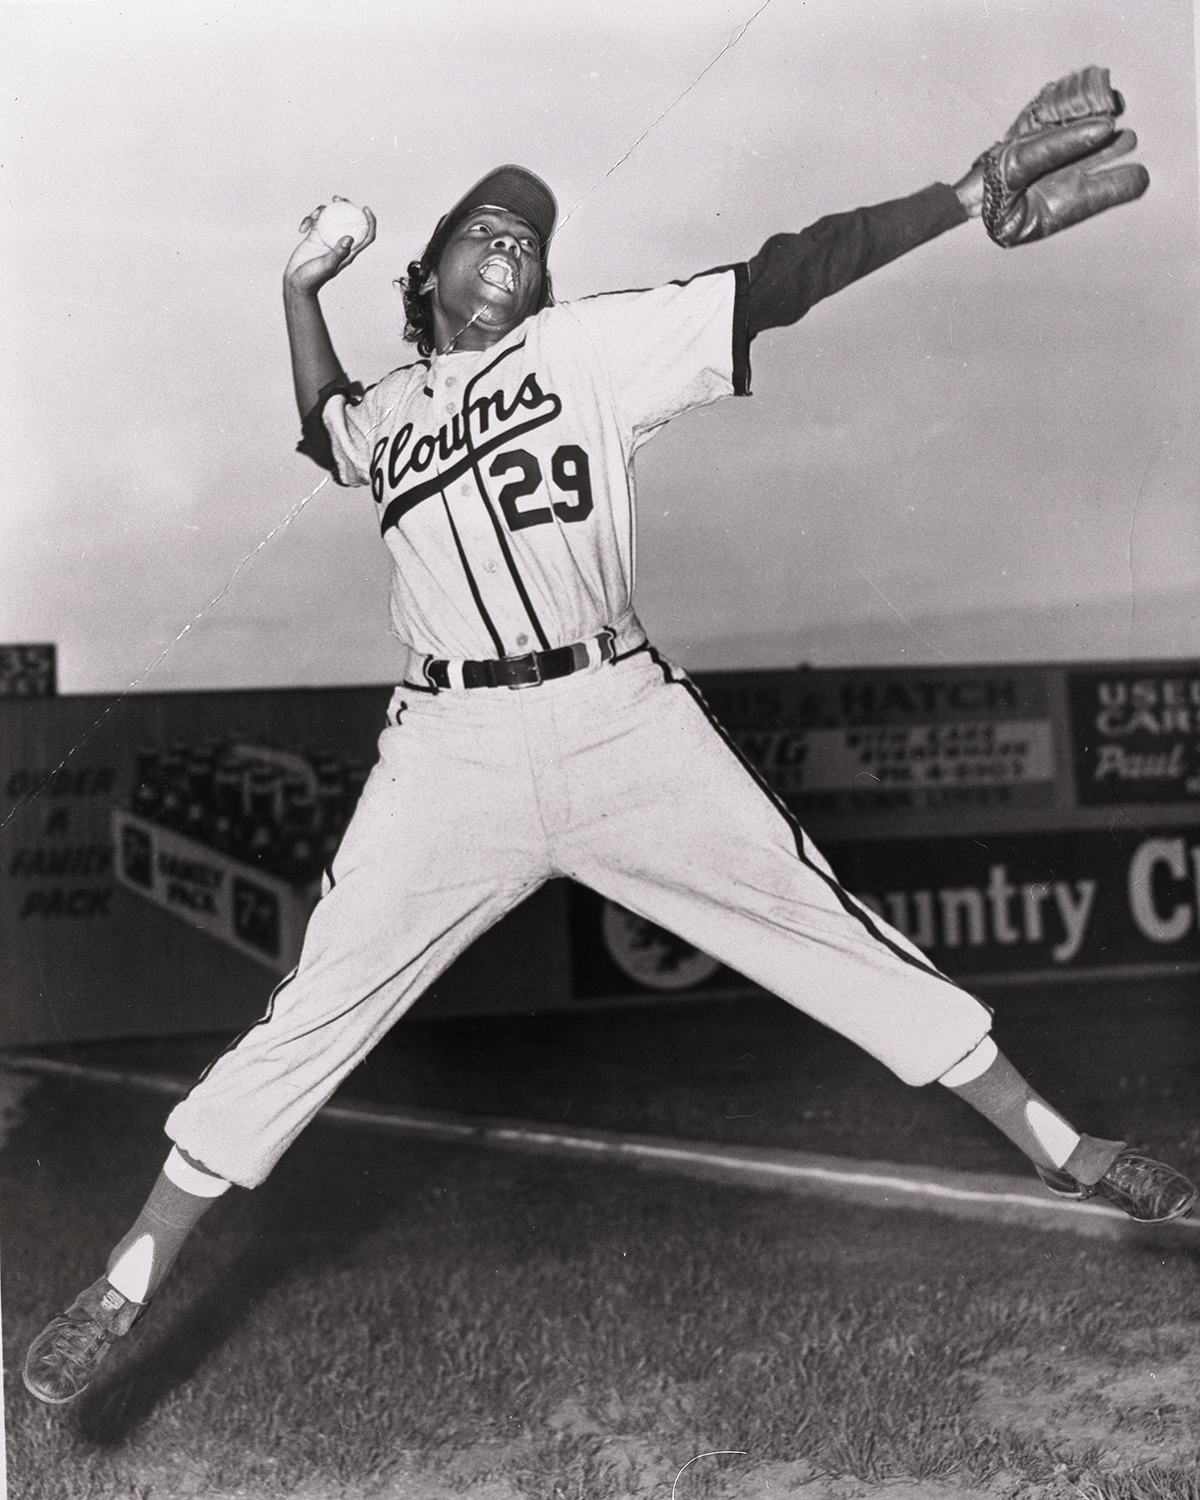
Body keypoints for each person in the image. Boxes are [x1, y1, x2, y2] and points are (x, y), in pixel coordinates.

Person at [24, 71, 1196, 1407]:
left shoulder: (591, 348)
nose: (516, 242)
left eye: (531, 236)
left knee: (819, 925)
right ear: (430, 276)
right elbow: (320, 426)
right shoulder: (393, 415)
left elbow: (784, 275)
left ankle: (1059, 1141)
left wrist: (955, 195)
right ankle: (127, 1274)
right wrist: (297, 292)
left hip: (616, 718)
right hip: (450, 754)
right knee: (315, 1008)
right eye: (487, 227)